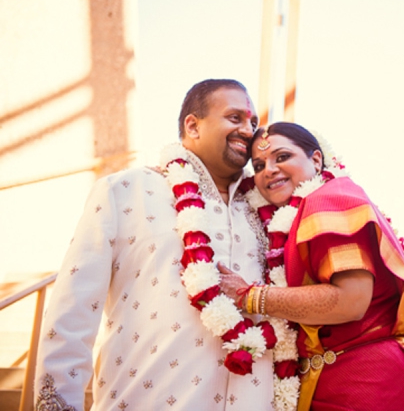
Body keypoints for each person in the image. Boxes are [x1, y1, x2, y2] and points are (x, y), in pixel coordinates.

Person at [34, 79, 276, 410]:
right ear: (193, 125)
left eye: (253, 122)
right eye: (235, 118)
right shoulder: (126, 191)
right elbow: (72, 313)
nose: (249, 130)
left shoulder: (269, 212)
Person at [218, 122, 404, 411]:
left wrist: (248, 296)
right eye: (259, 165)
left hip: (367, 382)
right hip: (347, 377)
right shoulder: (307, 209)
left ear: (316, 159)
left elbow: (350, 301)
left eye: (283, 157)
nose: (269, 170)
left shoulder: (327, 201)